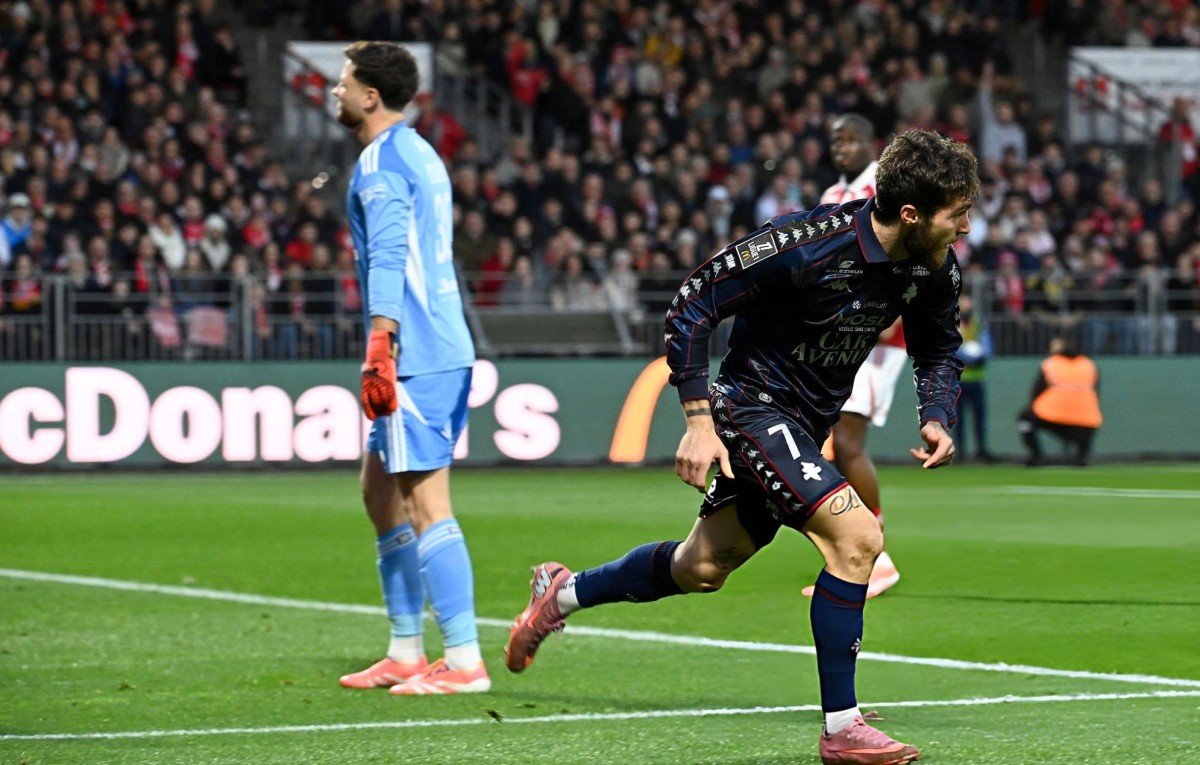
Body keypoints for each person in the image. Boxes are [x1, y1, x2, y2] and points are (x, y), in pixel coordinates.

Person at [506, 130, 976, 765]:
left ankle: (560, 593)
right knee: (858, 537)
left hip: (804, 426)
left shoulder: (932, 265)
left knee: (701, 568)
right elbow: (692, 302)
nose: (966, 227)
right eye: (957, 214)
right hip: (751, 406)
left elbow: (939, 345)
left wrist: (937, 415)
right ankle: (842, 727)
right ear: (912, 214)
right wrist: (698, 420)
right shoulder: (804, 243)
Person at [332, 41, 489, 696]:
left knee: (425, 502)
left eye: (344, 83)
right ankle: (404, 650)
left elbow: (392, 252)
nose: (335, 91)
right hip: (434, 344)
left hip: (415, 354)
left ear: (371, 96)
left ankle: (464, 660)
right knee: (380, 492)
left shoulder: (381, 161)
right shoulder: (417, 150)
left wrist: (381, 342)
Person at [804, 113, 905, 600]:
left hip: (877, 336)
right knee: (834, 442)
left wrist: (895, 312)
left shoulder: (886, 191)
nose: (842, 148)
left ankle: (875, 557)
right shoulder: (831, 196)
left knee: (846, 440)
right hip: (841, 330)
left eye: (850, 140)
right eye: (836, 140)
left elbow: (905, 253)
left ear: (871, 143)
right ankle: (858, 552)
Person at [1017, 337, 1102, 467]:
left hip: (1052, 416)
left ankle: (1036, 456)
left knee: (1025, 418)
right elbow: (1095, 390)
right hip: (1085, 420)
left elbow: (1037, 390)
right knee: (1087, 427)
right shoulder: (1088, 364)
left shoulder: (1051, 364)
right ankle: (1082, 456)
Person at [954, 293, 995, 462]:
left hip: (977, 379)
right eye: (962, 301)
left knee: (980, 417)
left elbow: (987, 344)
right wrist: (969, 358)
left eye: (968, 301)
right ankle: (960, 452)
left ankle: (981, 449)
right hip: (958, 379)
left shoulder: (978, 323)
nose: (966, 304)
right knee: (958, 418)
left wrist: (983, 356)